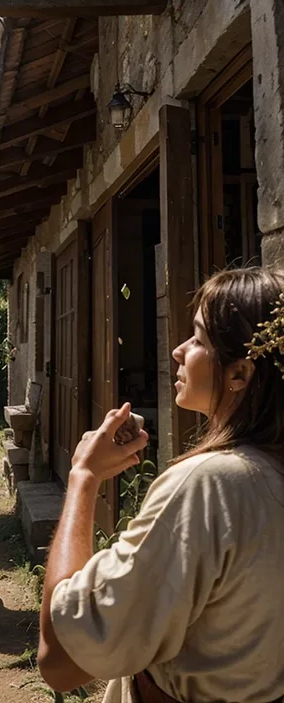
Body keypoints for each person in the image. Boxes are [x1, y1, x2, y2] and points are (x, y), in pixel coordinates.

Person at [39, 267, 284, 703]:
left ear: (240, 374)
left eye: (197, 338)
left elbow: (61, 660)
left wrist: (83, 477)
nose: (177, 350)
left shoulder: (213, 486)